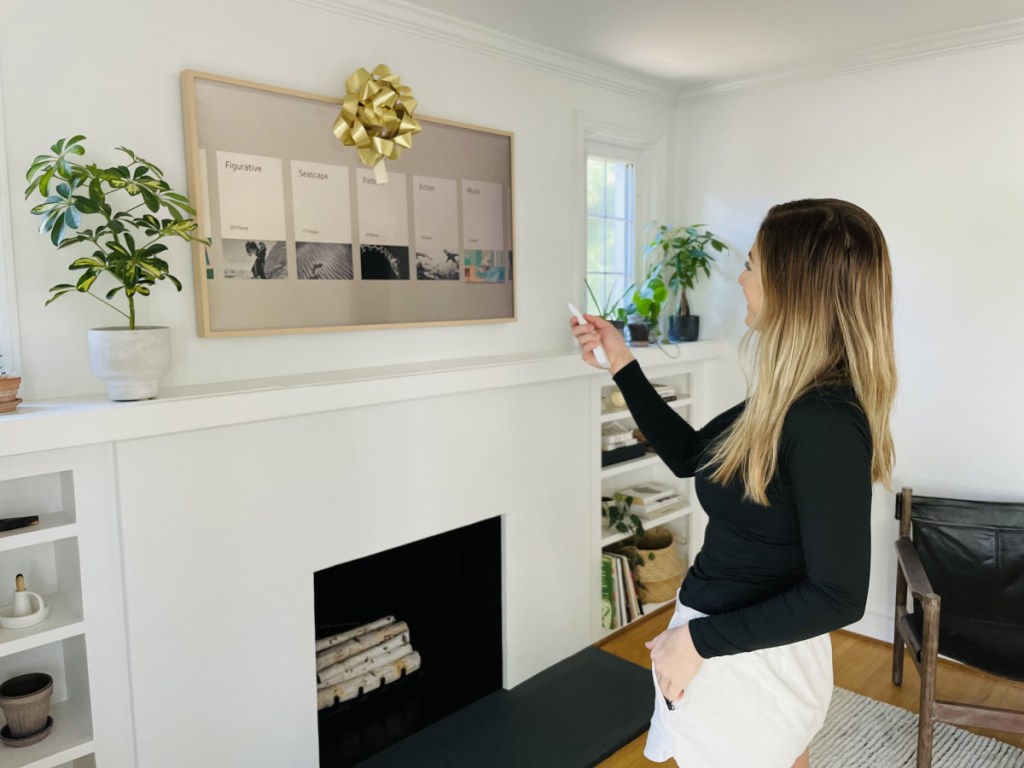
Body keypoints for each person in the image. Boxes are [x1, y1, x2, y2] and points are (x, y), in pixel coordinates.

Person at [571, 199, 896, 768]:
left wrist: (694, 643)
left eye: (751, 264)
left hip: (742, 658)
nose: (741, 278)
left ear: (792, 286)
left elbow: (840, 595)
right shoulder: (791, 396)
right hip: (735, 646)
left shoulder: (824, 419)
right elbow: (691, 454)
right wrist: (621, 362)